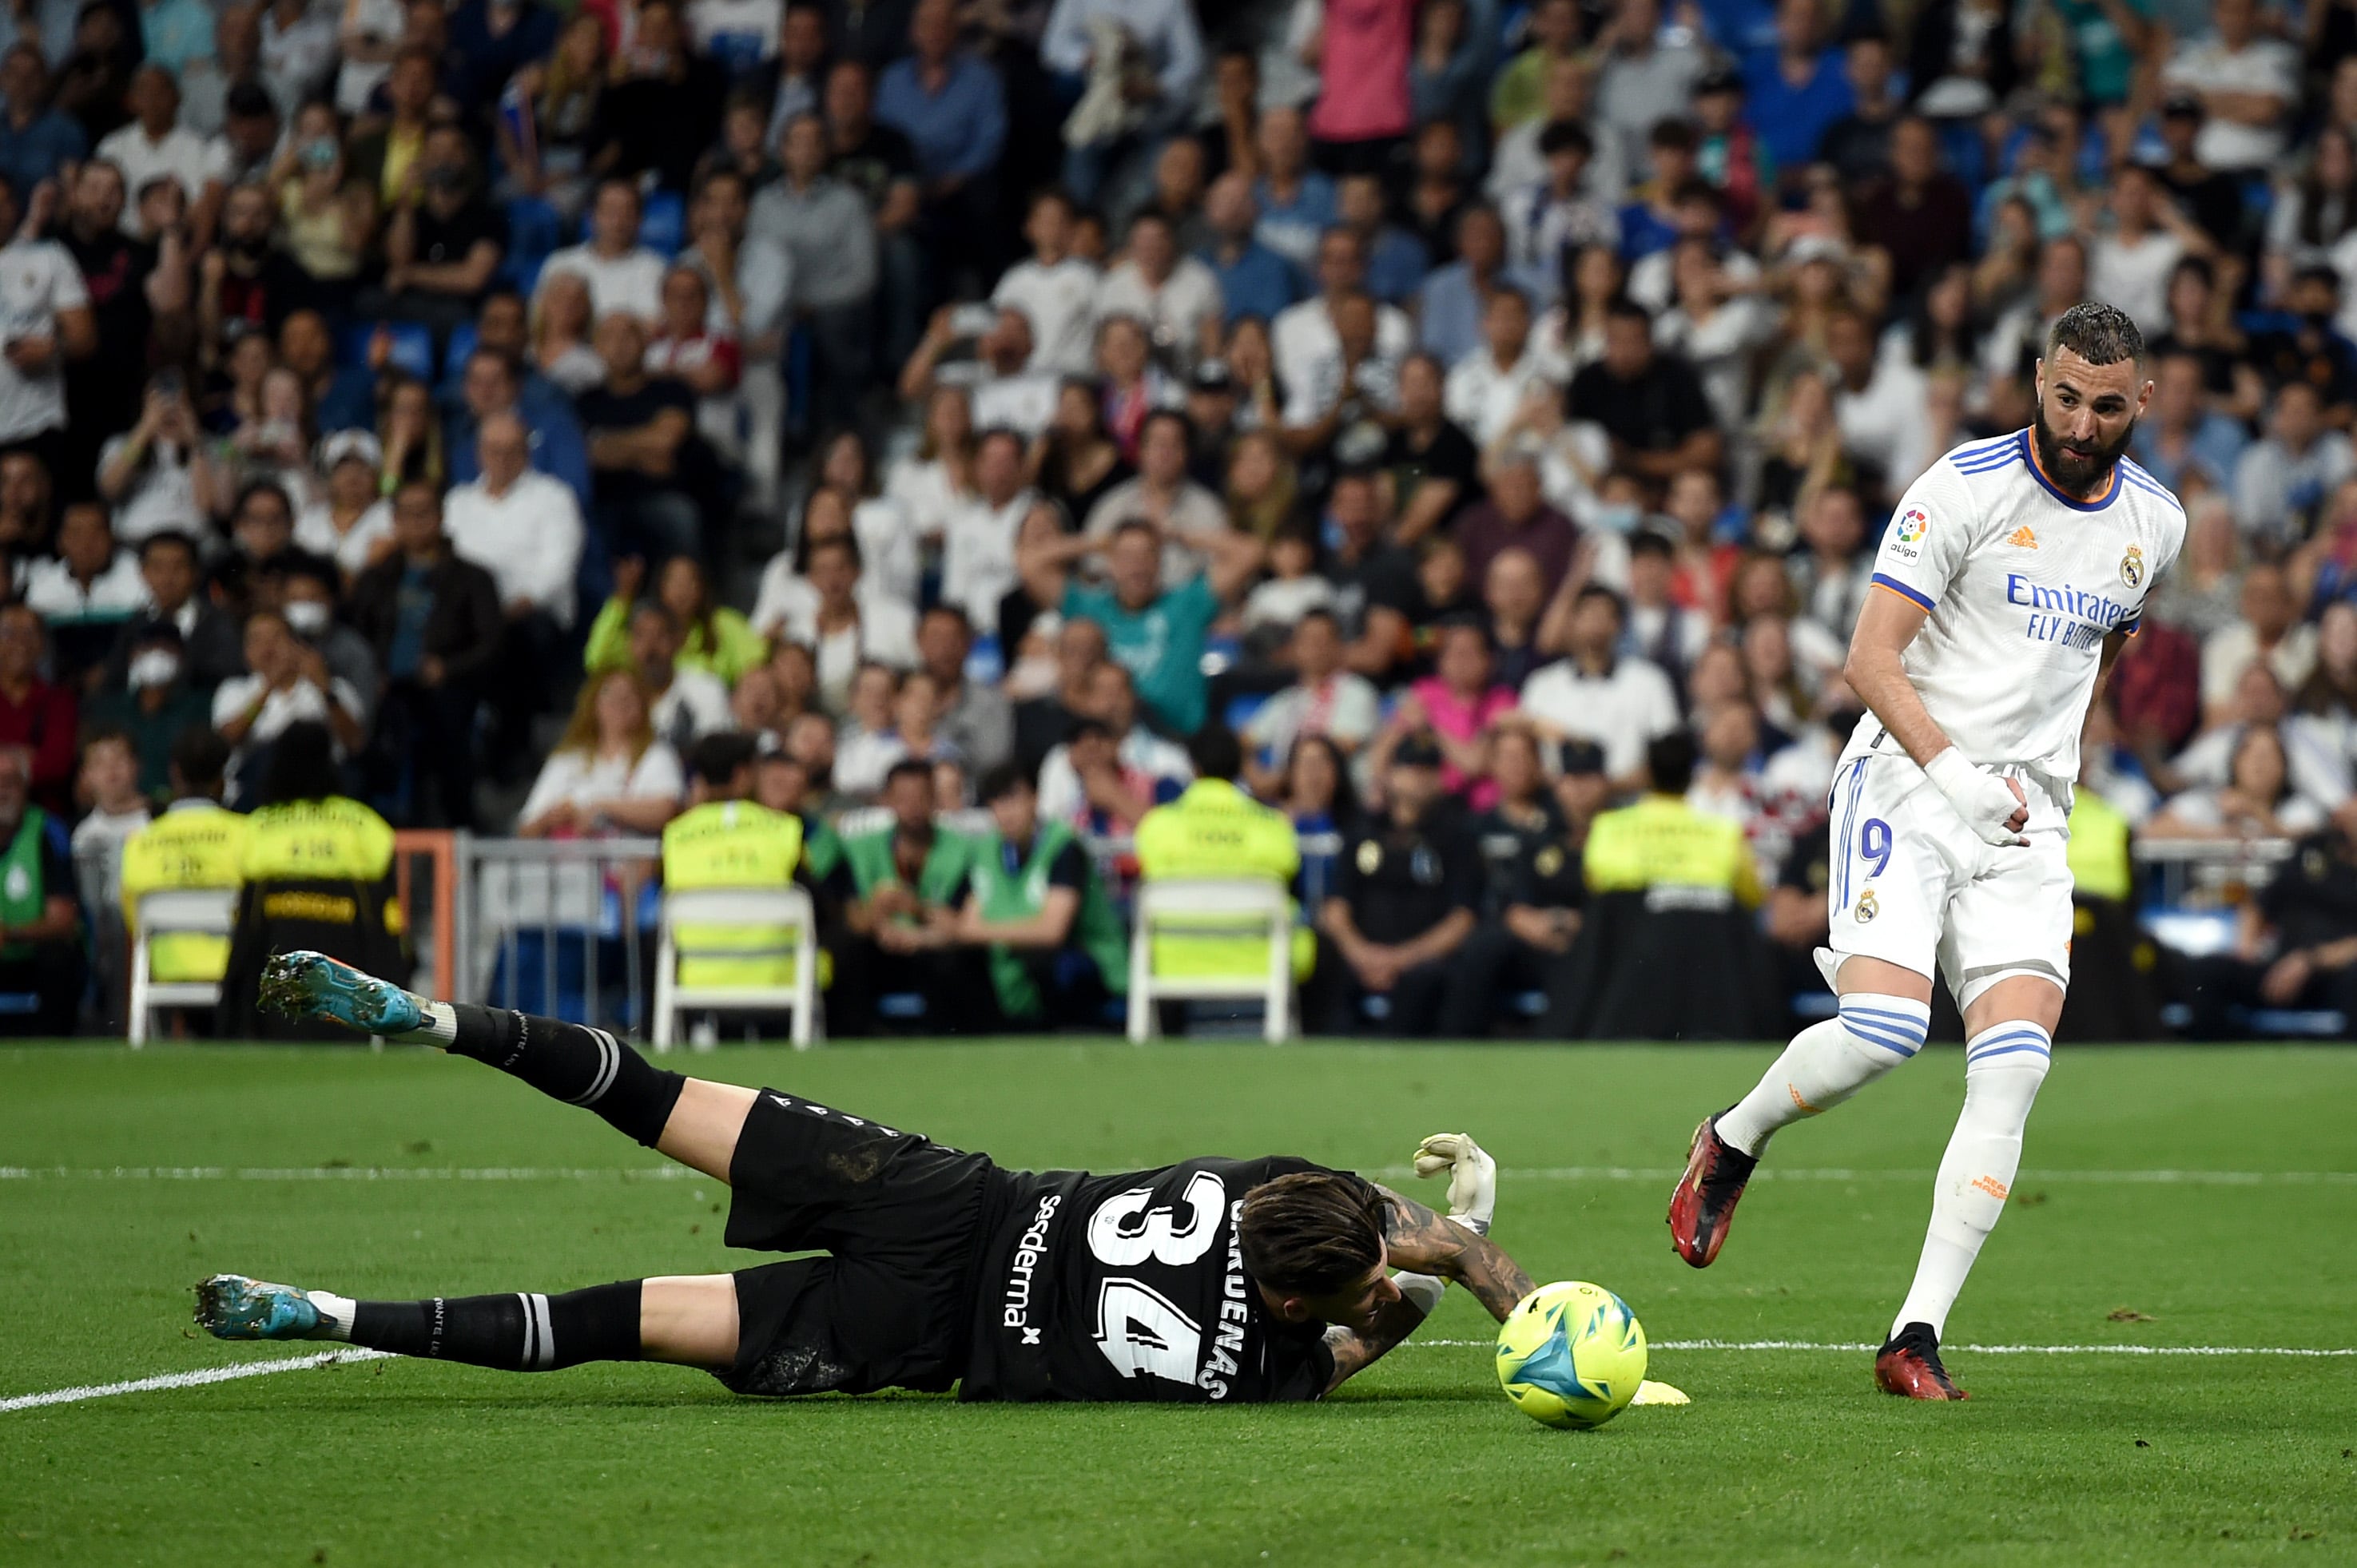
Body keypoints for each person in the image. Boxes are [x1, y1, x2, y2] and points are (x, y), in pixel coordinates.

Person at [199, 947, 1531, 1403]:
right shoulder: (1272, 1365)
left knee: (652, 1091)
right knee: (616, 1320)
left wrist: (1458, 1217)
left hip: (949, 1196)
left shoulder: (1271, 1174)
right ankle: (329, 1315)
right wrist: (1473, 1238)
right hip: (924, 1336)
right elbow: (1392, 1305)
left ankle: (433, 1020)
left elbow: (1412, 1252)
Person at [1666, 303, 2187, 1401]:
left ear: (2140, 401)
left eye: (2105, 405)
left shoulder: (2156, 523)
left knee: (2010, 1076)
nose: (2081, 422)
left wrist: (2033, 785)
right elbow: (1868, 656)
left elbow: (2087, 658)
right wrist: (1957, 773)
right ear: (2035, 378)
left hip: (2028, 820)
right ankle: (1733, 1135)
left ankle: (1913, 1332)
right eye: (2063, 396)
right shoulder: (1962, 486)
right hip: (1911, 779)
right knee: (1885, 1030)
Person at [216, 720, 405, 1039]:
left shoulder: (258, 827)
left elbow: (246, 923)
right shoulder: (364, 825)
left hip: (274, 993)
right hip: (352, 989)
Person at [348, 480, 503, 829]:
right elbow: (356, 634)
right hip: (384, 689)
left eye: (425, 512)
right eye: (408, 513)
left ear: (442, 516)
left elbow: (491, 644)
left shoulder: (473, 578)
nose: (417, 521)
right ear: (394, 520)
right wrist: (372, 673)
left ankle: (456, 823)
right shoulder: (375, 579)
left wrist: (447, 667)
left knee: (446, 732)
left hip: (446, 689)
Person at [1019, 516, 1262, 738]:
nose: (1138, 565)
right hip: (1108, 739)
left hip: (1177, 738)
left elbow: (1251, 551)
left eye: (1147, 554)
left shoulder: (1186, 603)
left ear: (1159, 562)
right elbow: (1029, 563)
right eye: (1126, 556)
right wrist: (1096, 542)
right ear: (1110, 563)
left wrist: (1177, 535)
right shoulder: (1089, 606)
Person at [940, 761, 1127, 1028]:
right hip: (1012, 962)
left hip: (1083, 961)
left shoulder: (1063, 846)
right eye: (998, 803)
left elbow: (1051, 931)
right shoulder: (986, 850)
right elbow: (966, 920)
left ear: (1035, 799)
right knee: (953, 962)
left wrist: (975, 931)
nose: (1006, 813)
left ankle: (1069, 1031)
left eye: (1014, 799)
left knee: (1046, 961)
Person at [1134, 724, 1310, 1007]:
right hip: (1261, 959)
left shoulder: (1157, 826)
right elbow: (1288, 866)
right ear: (1240, 765)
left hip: (1173, 961)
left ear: (1194, 766)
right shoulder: (1274, 826)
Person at [1316, 734, 1481, 1036]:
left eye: (1428, 770)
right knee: (1324, 960)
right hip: (1361, 954)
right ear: (1390, 775)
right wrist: (1360, 953)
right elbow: (1336, 906)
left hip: (1424, 959)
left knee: (1435, 979)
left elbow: (1462, 919)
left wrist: (1401, 959)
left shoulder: (1457, 835)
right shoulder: (1362, 829)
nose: (1419, 778)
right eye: (1410, 768)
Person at [659, 732, 812, 1005]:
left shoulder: (674, 835)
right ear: (743, 774)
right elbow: (818, 906)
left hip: (694, 984)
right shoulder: (784, 829)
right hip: (777, 981)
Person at [117, 728, 245, 1027]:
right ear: (221, 779)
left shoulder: (139, 842)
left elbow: (133, 921)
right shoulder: (248, 835)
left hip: (166, 967)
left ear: (175, 773)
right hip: (234, 971)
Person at [0, 745, 80, 1033]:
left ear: (26, 787)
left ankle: (56, 1048)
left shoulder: (47, 832)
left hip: (30, 959)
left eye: (10, 783)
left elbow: (63, 920)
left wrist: (10, 933)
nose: (2, 792)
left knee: (60, 958)